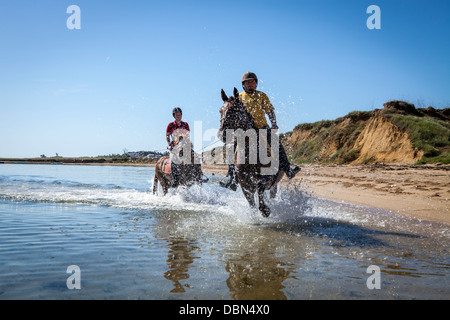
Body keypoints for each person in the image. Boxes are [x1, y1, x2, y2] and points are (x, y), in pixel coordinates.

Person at [221, 72, 300, 190]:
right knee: (232, 148)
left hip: (262, 128)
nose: (250, 84)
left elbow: (269, 110)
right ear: (243, 85)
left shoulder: (262, 96)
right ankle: (232, 178)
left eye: (252, 82)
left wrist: (273, 123)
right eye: (247, 82)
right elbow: (231, 108)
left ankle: (288, 169)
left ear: (256, 83)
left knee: (277, 145)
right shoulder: (240, 97)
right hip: (245, 131)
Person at [166, 107, 190, 188]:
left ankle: (198, 175)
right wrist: (169, 144)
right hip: (174, 147)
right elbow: (167, 136)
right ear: (174, 116)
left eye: (179, 114)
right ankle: (175, 180)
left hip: (185, 145)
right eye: (176, 115)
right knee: (173, 159)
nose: (178, 116)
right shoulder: (171, 125)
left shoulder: (185, 125)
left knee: (194, 156)